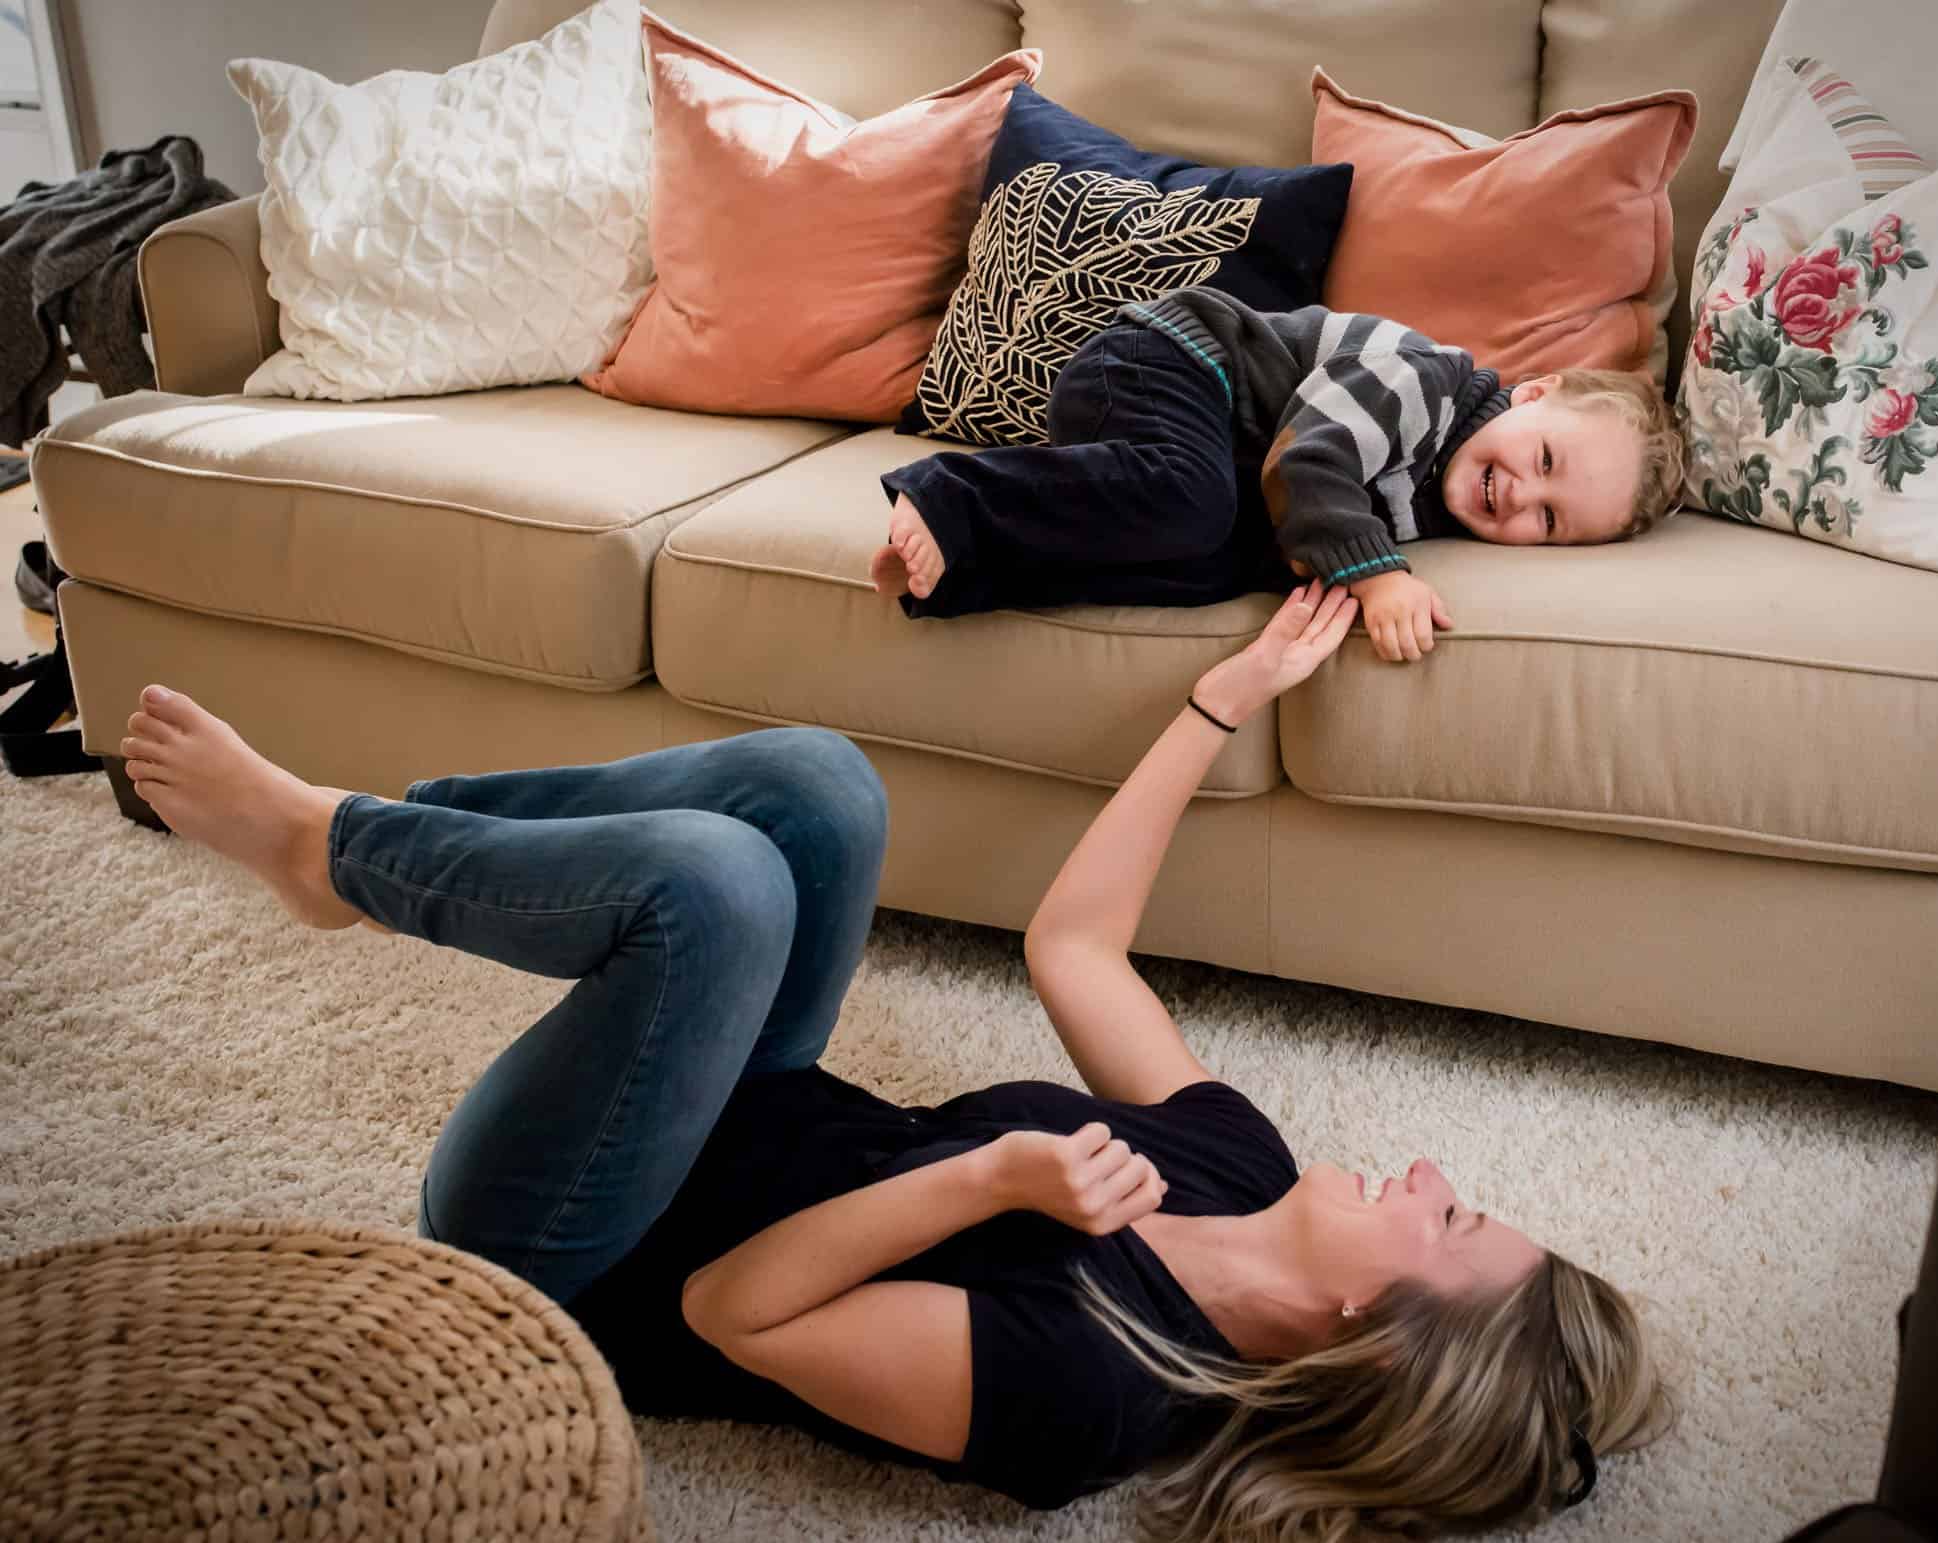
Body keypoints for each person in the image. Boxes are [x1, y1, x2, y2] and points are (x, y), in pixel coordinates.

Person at [116, 582, 1671, 1539]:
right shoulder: (1239, 1166)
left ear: (1378, 1336)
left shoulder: (1090, 1398)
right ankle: (373, 844)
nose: (1432, 1174)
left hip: (579, 1251)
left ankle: (329, 845)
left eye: (1450, 1220)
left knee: (716, 887)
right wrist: (1225, 698)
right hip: (742, 1103)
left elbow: (736, 1313)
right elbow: (1075, 947)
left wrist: (992, 1174)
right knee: (820, 788)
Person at [870, 285, 1685, 664]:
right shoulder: (1424, 379)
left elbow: (1287, 520)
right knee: (1196, 503)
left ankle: (955, 574)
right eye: (1544, 459)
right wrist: (1379, 577)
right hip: (1169, 362)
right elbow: (1310, 456)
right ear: (1532, 392)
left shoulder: (1439, 498)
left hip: (1177, 471)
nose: (1519, 493)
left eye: (1548, 519)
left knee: (1215, 564)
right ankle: (952, 495)